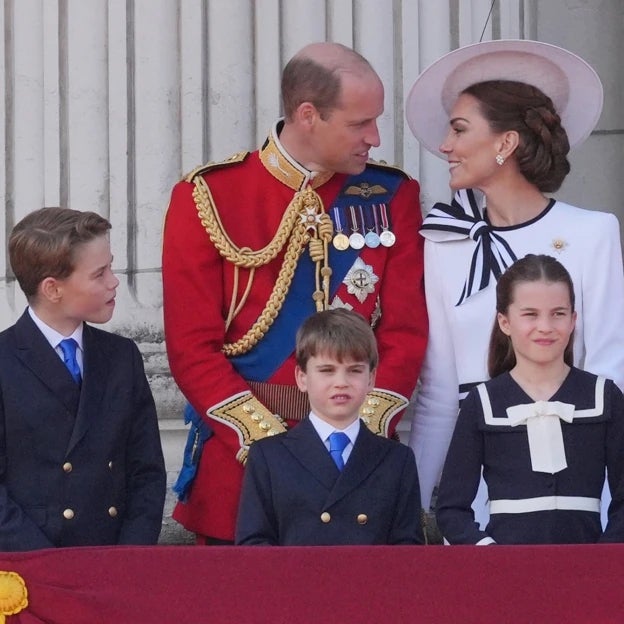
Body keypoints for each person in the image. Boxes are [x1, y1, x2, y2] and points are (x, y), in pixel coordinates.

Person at [163, 42, 427, 544]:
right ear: (308, 115)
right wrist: (273, 450)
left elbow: (406, 335)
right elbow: (191, 349)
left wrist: (357, 433)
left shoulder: (393, 195)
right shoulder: (209, 195)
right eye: (359, 123)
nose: (374, 137)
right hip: (244, 467)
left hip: (359, 466)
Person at [404, 39, 624, 536]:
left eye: (460, 130)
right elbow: (439, 392)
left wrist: (610, 517)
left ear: (505, 144)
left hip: (573, 484)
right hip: (478, 483)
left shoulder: (594, 232)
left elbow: (609, 373)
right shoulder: (444, 241)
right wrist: (411, 506)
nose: (445, 146)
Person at [0, 207, 166, 550]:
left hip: (111, 563)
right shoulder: (5, 359)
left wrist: (128, 557)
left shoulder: (122, 357)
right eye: (99, 273)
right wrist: (48, 565)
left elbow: (146, 471)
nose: (114, 281)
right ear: (52, 289)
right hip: (29, 567)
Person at [436, 254, 624, 544]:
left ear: (574, 319)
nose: (545, 326)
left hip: (588, 575)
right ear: (504, 321)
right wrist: (488, 553)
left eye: (558, 313)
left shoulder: (604, 396)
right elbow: (451, 509)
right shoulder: (482, 402)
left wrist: (602, 556)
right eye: (530, 314)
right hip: (506, 575)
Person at [235, 308, 423, 545]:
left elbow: (407, 551)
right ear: (302, 378)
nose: (341, 383)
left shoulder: (397, 460)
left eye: (355, 371)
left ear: (372, 379)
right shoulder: (269, 457)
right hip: (295, 581)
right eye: (327, 371)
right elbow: (254, 547)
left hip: (371, 582)